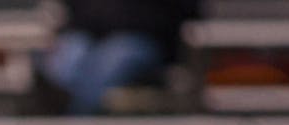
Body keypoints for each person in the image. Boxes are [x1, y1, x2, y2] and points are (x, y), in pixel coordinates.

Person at [39, 0, 199, 115]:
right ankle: (60, 116)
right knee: (68, 57)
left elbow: (185, 13)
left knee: (111, 60)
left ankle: (75, 124)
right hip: (90, 37)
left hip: (142, 39)